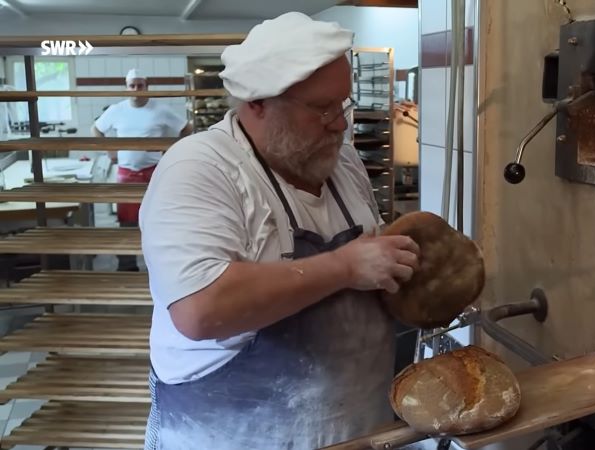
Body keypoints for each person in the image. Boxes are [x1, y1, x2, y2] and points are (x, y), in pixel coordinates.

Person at [139, 12, 420, 450]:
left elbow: (374, 270)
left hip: (357, 431)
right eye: (321, 108)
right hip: (232, 437)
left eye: (343, 103)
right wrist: (345, 267)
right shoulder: (199, 169)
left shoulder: (341, 162)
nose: (340, 124)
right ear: (257, 104)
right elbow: (200, 309)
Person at [92, 68, 192, 271]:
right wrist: (109, 151)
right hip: (126, 173)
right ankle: (127, 265)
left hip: (154, 173)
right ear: (126, 87)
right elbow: (96, 129)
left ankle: (161, 266)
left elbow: (186, 128)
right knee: (127, 223)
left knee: (158, 221)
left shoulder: (160, 110)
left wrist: (171, 150)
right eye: (132, 86)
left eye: (140, 85)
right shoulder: (117, 109)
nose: (136, 89)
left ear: (147, 87)